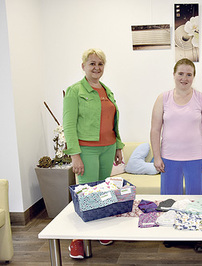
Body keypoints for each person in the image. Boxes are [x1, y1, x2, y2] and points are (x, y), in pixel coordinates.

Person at [63, 48, 124, 259]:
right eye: (92, 63)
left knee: (102, 193)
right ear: (83, 66)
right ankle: (77, 240)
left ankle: (99, 232)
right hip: (86, 150)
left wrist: (117, 146)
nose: (96, 67)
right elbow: (69, 126)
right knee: (85, 195)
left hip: (108, 148)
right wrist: (75, 155)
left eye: (100, 64)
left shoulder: (107, 91)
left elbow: (113, 123)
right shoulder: (75, 91)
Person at [150, 58, 202, 252]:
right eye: (181, 74)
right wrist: (157, 156)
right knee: (170, 199)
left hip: (196, 158)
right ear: (174, 74)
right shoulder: (163, 98)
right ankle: (172, 232)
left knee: (197, 199)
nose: (184, 78)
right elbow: (155, 130)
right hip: (169, 158)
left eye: (189, 74)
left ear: (194, 77)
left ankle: (198, 236)